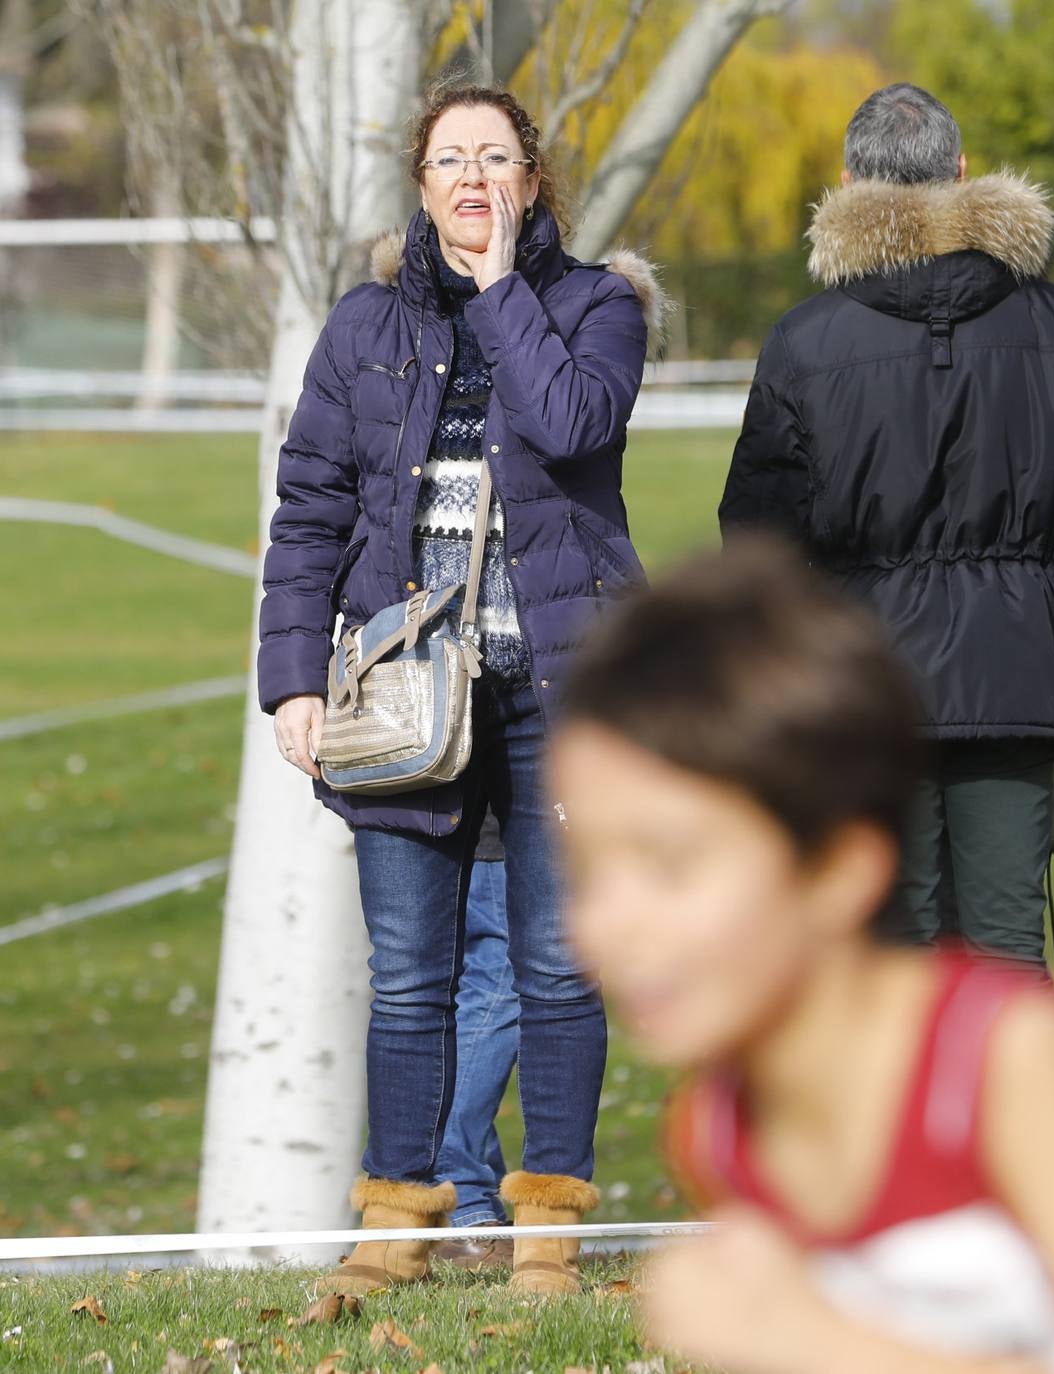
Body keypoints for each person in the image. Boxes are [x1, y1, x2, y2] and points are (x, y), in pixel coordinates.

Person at [554, 541, 1054, 1374]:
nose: (603, 926)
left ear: (839, 868)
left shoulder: (1005, 1061)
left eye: (670, 865)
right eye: (586, 870)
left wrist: (821, 1344)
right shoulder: (719, 1123)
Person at [257, 81, 669, 1296]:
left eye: (496, 157)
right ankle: (396, 1230)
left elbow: (574, 420)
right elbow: (309, 513)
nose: (473, 177)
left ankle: (546, 1234)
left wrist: (500, 294)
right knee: (412, 977)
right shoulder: (362, 329)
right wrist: (294, 682)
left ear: (532, 182)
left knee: (554, 968)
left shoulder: (597, 309)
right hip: (401, 697)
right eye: (450, 159)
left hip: (564, 688)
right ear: (422, 184)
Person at [718, 83, 1054, 973]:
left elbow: (758, 535)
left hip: (866, 686)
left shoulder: (804, 341)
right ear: (962, 172)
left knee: (895, 969)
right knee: (1008, 964)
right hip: (1012, 671)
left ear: (849, 181)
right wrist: (1044, 579)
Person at [430, 812, 519, 1269]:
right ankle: (461, 1200)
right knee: (499, 981)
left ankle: (474, 1201)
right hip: (490, 823)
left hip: (426, 808)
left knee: (451, 996)